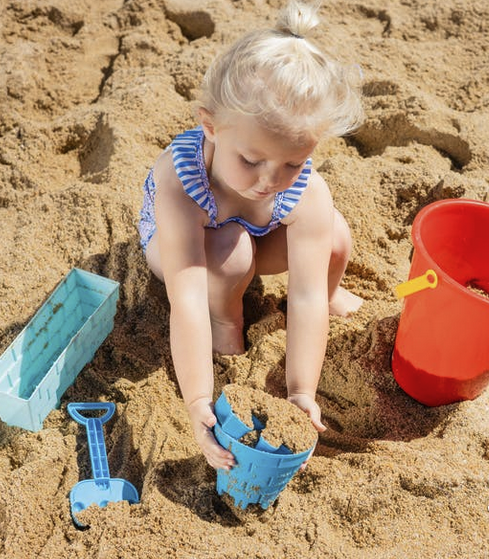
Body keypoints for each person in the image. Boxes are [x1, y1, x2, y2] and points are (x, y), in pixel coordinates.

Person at [137, 0, 364, 471]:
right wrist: (198, 399)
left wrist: (301, 390)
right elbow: (187, 299)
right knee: (231, 256)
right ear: (211, 125)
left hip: (255, 232)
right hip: (185, 249)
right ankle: (228, 325)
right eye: (252, 160)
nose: (268, 180)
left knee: (335, 236)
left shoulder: (304, 189)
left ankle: (334, 292)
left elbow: (302, 298)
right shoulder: (180, 182)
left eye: (292, 163)